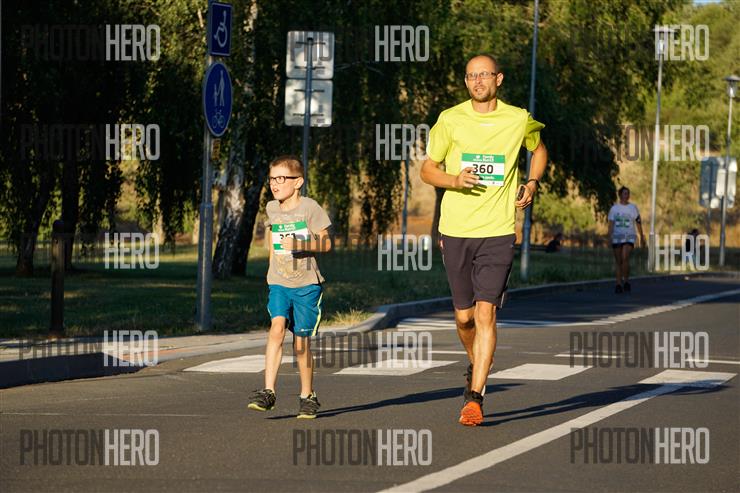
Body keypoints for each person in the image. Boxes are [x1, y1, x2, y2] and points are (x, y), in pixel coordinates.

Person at [420, 54, 548, 426]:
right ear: (466, 82)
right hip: (456, 229)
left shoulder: (518, 119)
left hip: (497, 230)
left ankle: (474, 398)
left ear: (498, 78)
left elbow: (538, 150)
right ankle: (476, 360)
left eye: (484, 75)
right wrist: (454, 180)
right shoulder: (450, 119)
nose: (477, 81)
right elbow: (428, 169)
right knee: (464, 318)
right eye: (471, 76)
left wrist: (532, 182)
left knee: (485, 312)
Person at [247, 155, 332, 419]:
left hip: (306, 285)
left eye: (281, 178)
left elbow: (327, 243)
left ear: (298, 182)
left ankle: (307, 395)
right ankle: (268, 391)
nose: (274, 184)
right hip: (279, 282)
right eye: (272, 178)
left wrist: (300, 244)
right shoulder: (272, 208)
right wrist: (270, 271)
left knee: (300, 344)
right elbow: (273, 239)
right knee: (276, 328)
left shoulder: (310, 208)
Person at [607, 186, 645, 293]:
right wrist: (609, 237)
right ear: (620, 195)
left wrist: (641, 236)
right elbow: (611, 224)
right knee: (619, 261)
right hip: (617, 236)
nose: (627, 195)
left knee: (625, 258)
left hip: (629, 236)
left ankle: (626, 281)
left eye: (628, 193)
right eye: (624, 193)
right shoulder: (614, 209)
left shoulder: (633, 208)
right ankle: (618, 284)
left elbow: (638, 222)